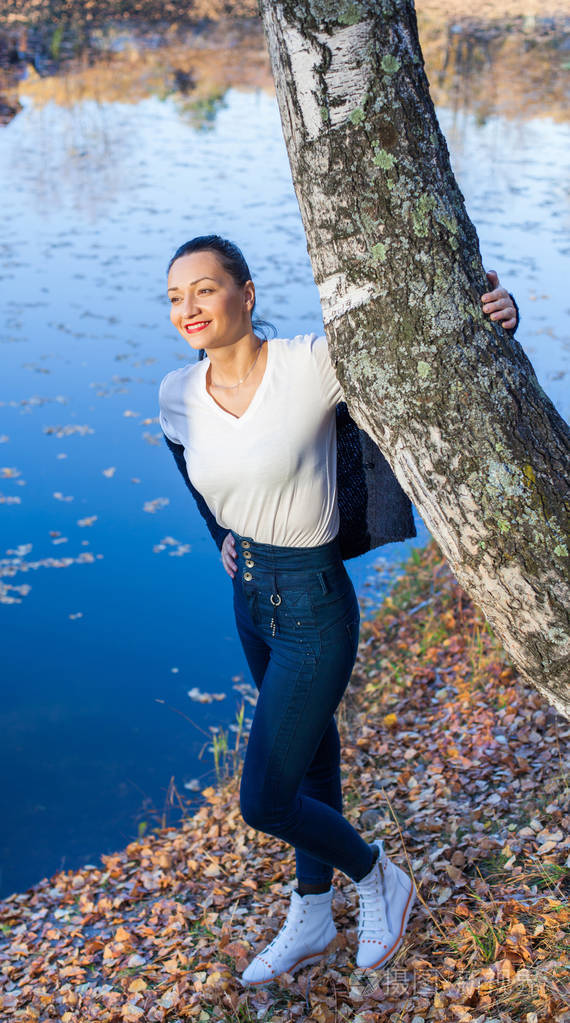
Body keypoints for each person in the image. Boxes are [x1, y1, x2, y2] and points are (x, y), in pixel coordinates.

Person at [158, 235, 519, 984]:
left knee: (265, 798)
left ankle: (378, 875)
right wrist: (220, 533)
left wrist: (490, 316)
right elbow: (191, 467)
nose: (188, 307)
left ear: (246, 295)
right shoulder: (176, 394)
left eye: (204, 289)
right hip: (249, 601)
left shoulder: (307, 365)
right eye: (174, 296)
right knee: (313, 760)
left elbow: (413, 347)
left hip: (314, 606)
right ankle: (313, 914)